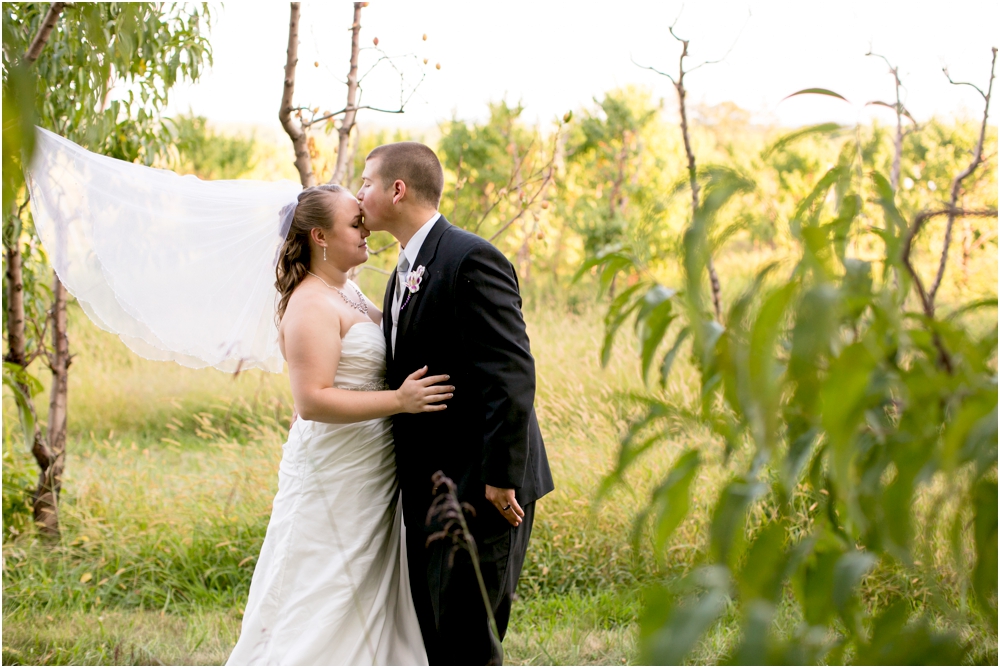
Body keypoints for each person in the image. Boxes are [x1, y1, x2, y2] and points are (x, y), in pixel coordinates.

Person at [226, 184, 450, 665]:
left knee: (364, 583)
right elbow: (311, 400)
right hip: (335, 469)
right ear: (320, 236)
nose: (366, 228)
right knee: (324, 585)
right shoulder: (310, 303)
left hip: (368, 466)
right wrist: (401, 400)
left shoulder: (346, 288)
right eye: (356, 223)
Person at [357, 142, 554, 665]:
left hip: (484, 486)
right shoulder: (404, 269)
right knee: (436, 638)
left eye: (365, 182)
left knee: (469, 639)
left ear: (397, 190)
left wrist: (501, 476)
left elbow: (511, 373)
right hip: (430, 486)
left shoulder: (469, 257)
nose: (359, 194)